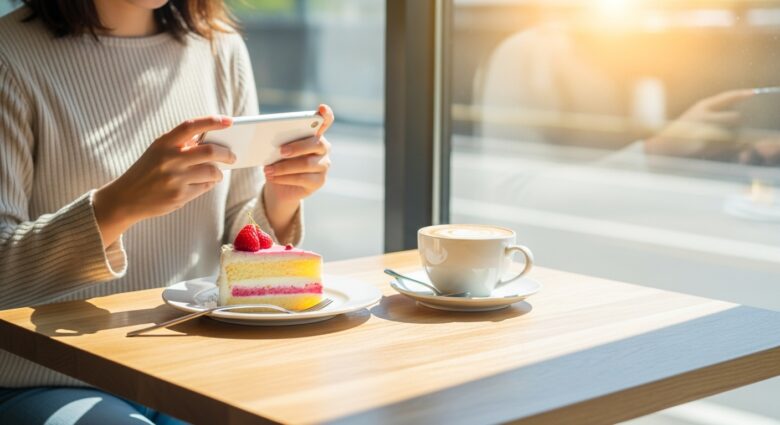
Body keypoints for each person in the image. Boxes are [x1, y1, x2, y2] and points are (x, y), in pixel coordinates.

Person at [0, 0, 333, 423]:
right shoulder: (8, 57)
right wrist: (115, 206)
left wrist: (283, 197)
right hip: (51, 378)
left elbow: (239, 238)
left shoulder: (220, 47)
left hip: (197, 367)